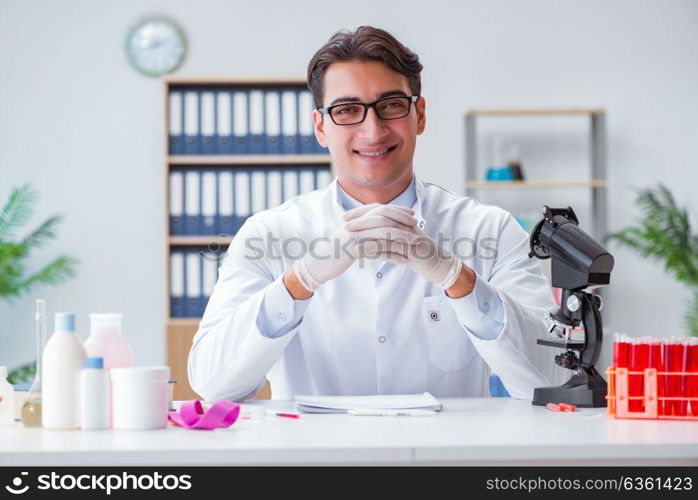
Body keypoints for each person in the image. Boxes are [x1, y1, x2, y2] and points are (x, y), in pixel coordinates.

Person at [188, 26, 564, 401]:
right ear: (321, 127)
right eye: (347, 110)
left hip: (444, 459)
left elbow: (551, 380)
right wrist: (298, 281)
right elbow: (212, 384)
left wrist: (458, 279)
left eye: (391, 106)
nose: (373, 130)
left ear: (419, 114)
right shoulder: (267, 234)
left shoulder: (489, 230)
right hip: (315, 459)